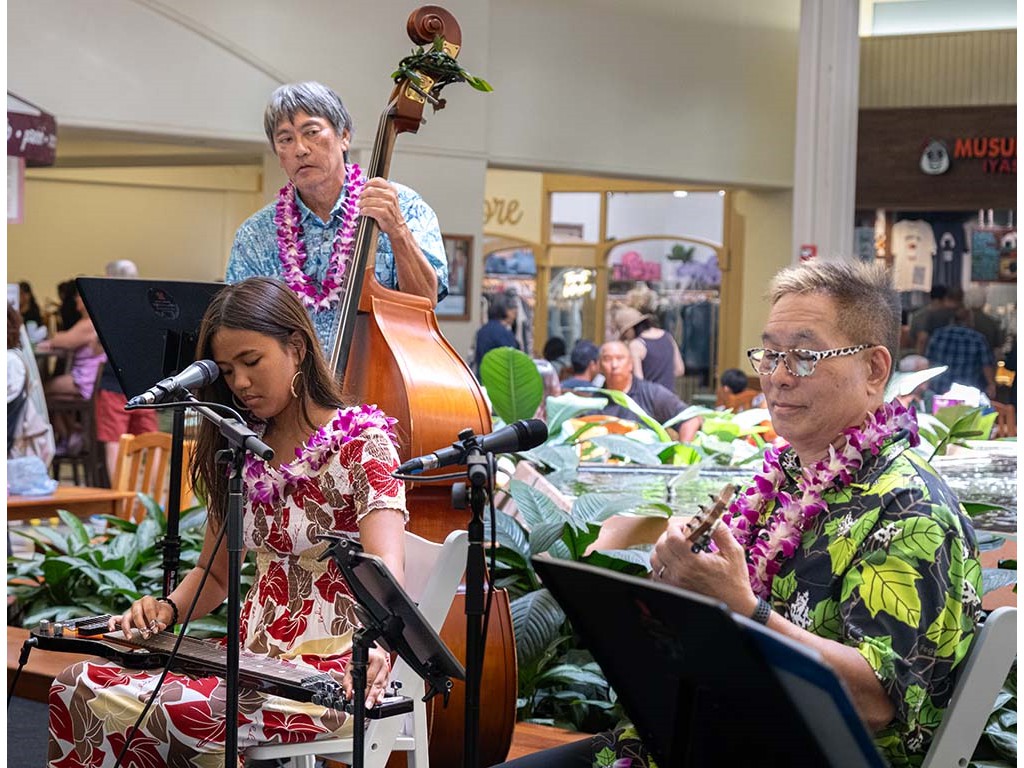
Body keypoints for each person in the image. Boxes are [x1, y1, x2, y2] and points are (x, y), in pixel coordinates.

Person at [495, 260, 981, 768]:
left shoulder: (911, 508)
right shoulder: (781, 479)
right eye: (770, 354)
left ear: (875, 370)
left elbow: (875, 702)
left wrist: (745, 609)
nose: (778, 378)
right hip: (695, 741)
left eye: (805, 356)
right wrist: (676, 584)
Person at [47, 277, 408, 766]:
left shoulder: (363, 444)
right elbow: (214, 575)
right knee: (77, 684)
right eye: (227, 370)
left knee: (180, 713)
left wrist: (379, 646)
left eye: (252, 362)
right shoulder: (239, 446)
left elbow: (387, 571)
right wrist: (166, 610)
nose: (239, 383)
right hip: (249, 659)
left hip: (337, 671)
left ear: (297, 348)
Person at [226, 81, 448, 353]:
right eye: (285, 139)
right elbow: (241, 332)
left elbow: (425, 302)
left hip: (383, 372)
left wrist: (398, 230)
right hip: (295, 380)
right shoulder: (254, 236)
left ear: (344, 136)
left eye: (311, 132)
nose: (300, 149)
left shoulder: (405, 206)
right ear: (278, 154)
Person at [94, 259, 160, 484]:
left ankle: (121, 497)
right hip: (144, 384)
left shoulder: (108, 306)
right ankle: (154, 495)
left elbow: (97, 347)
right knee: (151, 440)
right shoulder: (148, 306)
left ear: (111, 278)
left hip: (113, 383)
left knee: (116, 441)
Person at [35, 284, 106, 453]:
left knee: (40, 392)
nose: (76, 299)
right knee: (48, 394)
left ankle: (69, 434)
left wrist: (56, 338)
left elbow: (64, 341)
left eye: (79, 296)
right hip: (85, 377)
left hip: (84, 379)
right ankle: (71, 433)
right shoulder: (88, 321)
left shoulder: (89, 323)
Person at [597, 340, 700, 442]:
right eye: (607, 359)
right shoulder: (594, 401)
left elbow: (690, 418)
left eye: (620, 358)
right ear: (600, 366)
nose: (614, 365)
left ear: (631, 363)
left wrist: (683, 449)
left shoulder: (651, 394)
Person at [925, 307, 996, 398]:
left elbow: (929, 360)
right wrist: (991, 384)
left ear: (952, 320)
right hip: (965, 392)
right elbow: (986, 365)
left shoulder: (938, 334)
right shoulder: (977, 338)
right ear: (969, 320)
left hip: (939, 389)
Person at [615, 305, 685, 392]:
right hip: (670, 395)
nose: (627, 339)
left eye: (625, 334)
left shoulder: (636, 345)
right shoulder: (668, 336)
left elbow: (639, 381)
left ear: (630, 329)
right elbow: (679, 370)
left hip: (649, 397)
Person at [474, 292, 519, 377]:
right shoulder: (505, 333)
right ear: (507, 311)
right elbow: (512, 361)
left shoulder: (482, 330)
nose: (514, 317)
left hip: (482, 376)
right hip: (499, 379)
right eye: (514, 313)